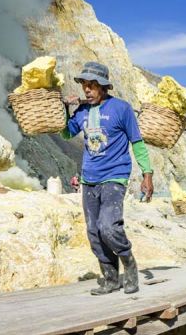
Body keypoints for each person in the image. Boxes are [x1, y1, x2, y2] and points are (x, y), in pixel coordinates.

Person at [62, 61, 154, 295]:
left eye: (92, 85)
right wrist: (63, 109)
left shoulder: (121, 109)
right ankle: (111, 278)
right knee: (93, 232)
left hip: (115, 175)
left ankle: (129, 264)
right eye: (85, 85)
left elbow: (138, 143)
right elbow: (65, 132)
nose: (87, 90)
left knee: (109, 227)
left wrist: (147, 174)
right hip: (89, 178)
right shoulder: (82, 111)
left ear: (103, 87)